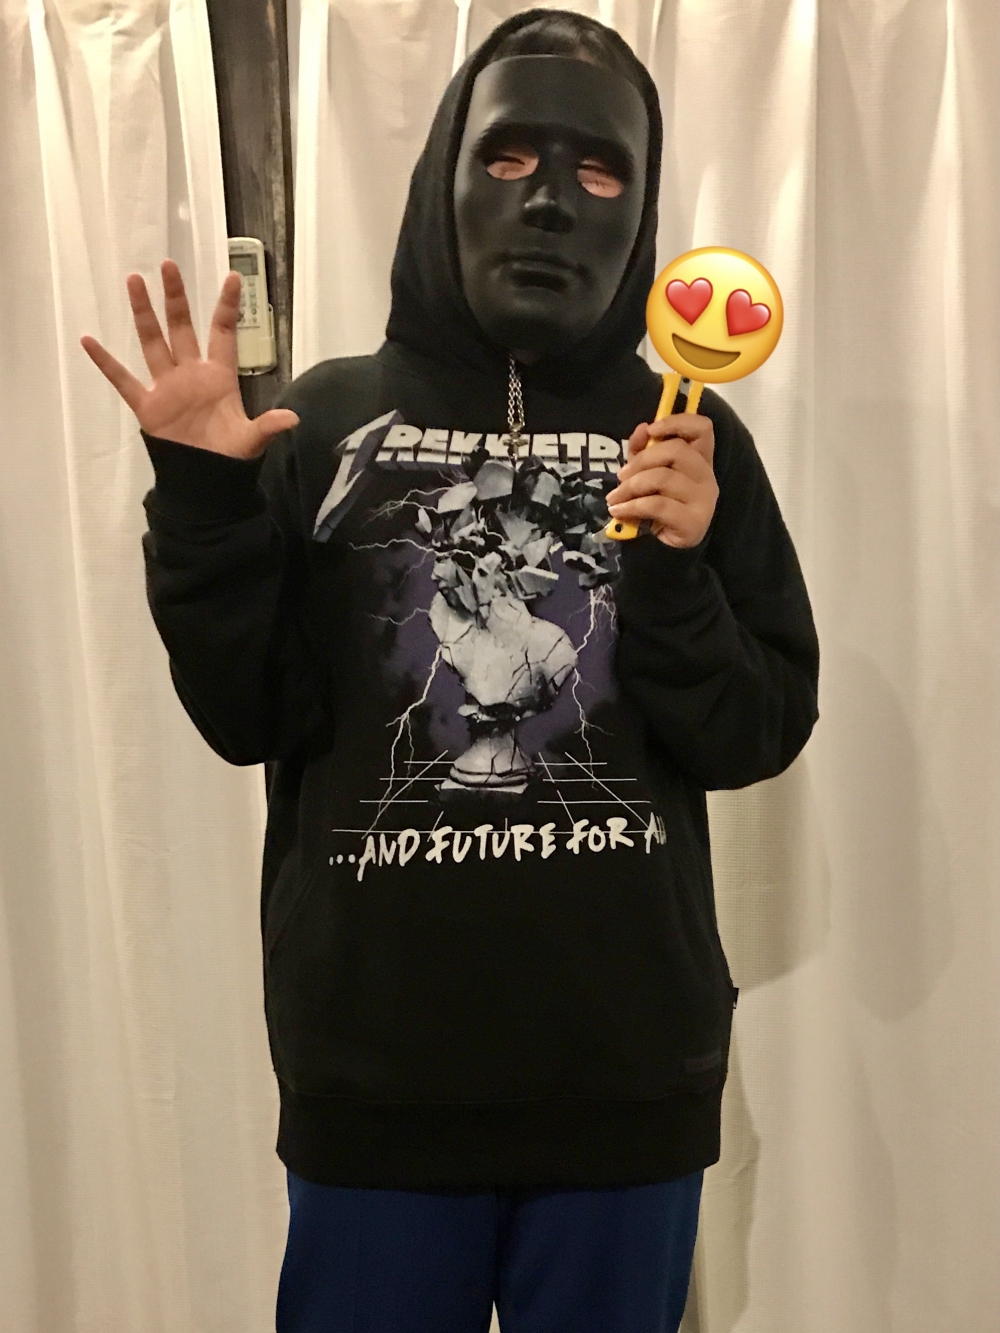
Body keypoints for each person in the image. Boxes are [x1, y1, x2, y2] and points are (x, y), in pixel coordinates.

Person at [82, 10, 818, 1332]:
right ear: (441, 178)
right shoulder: (323, 421)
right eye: (509, 156)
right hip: (376, 1091)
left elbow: (755, 731)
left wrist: (672, 570)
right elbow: (248, 714)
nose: (549, 202)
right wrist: (200, 505)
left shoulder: (689, 439)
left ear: (644, 213)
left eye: (599, 170)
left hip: (626, 1088)